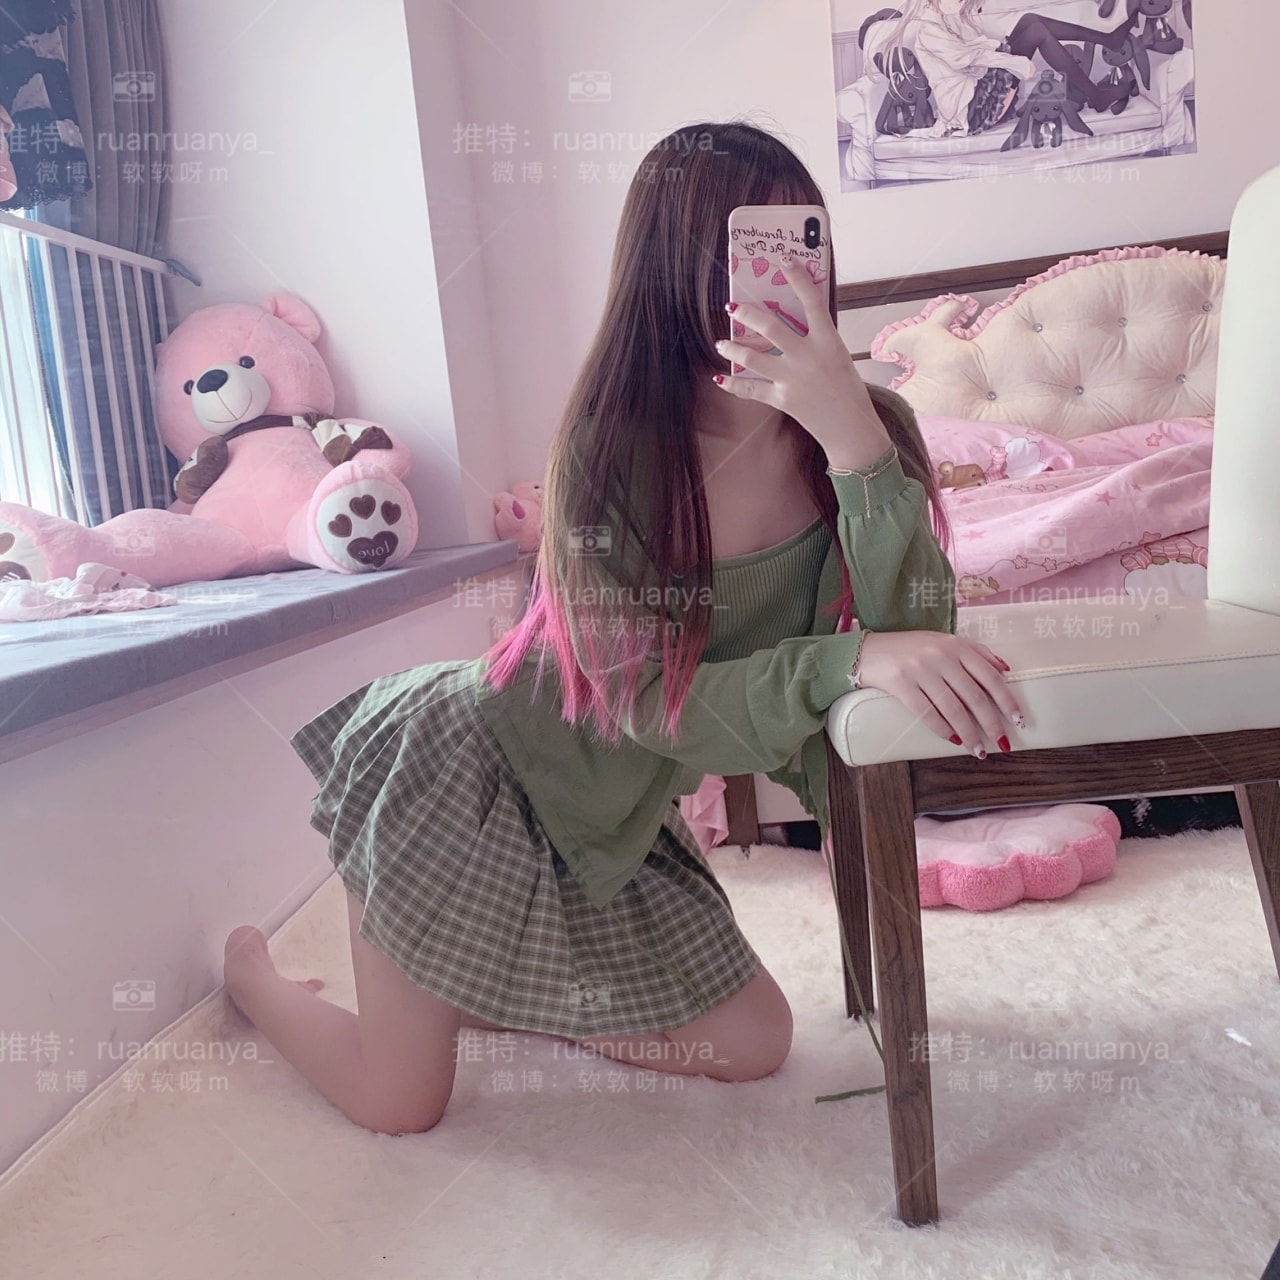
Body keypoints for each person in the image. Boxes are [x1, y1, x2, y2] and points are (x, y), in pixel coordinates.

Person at [221, 120, 1025, 1137]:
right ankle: (254, 979)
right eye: (747, 246)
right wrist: (847, 656)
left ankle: (478, 982)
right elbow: (649, 705)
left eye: (804, 238)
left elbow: (917, 642)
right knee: (401, 1101)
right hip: (465, 764)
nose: (786, 273)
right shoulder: (609, 451)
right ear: (673, 270)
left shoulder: (874, 431)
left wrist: (853, 444)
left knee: (753, 1039)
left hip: (613, 808)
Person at [862, 0, 1137, 139]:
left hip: (978, 89)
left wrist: (1002, 46)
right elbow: (966, 58)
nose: (961, 2)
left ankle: (1108, 40)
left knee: (1030, 20)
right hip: (974, 109)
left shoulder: (946, 19)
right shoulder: (928, 30)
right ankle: (1096, 95)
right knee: (1037, 32)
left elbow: (976, 43)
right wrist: (1014, 61)